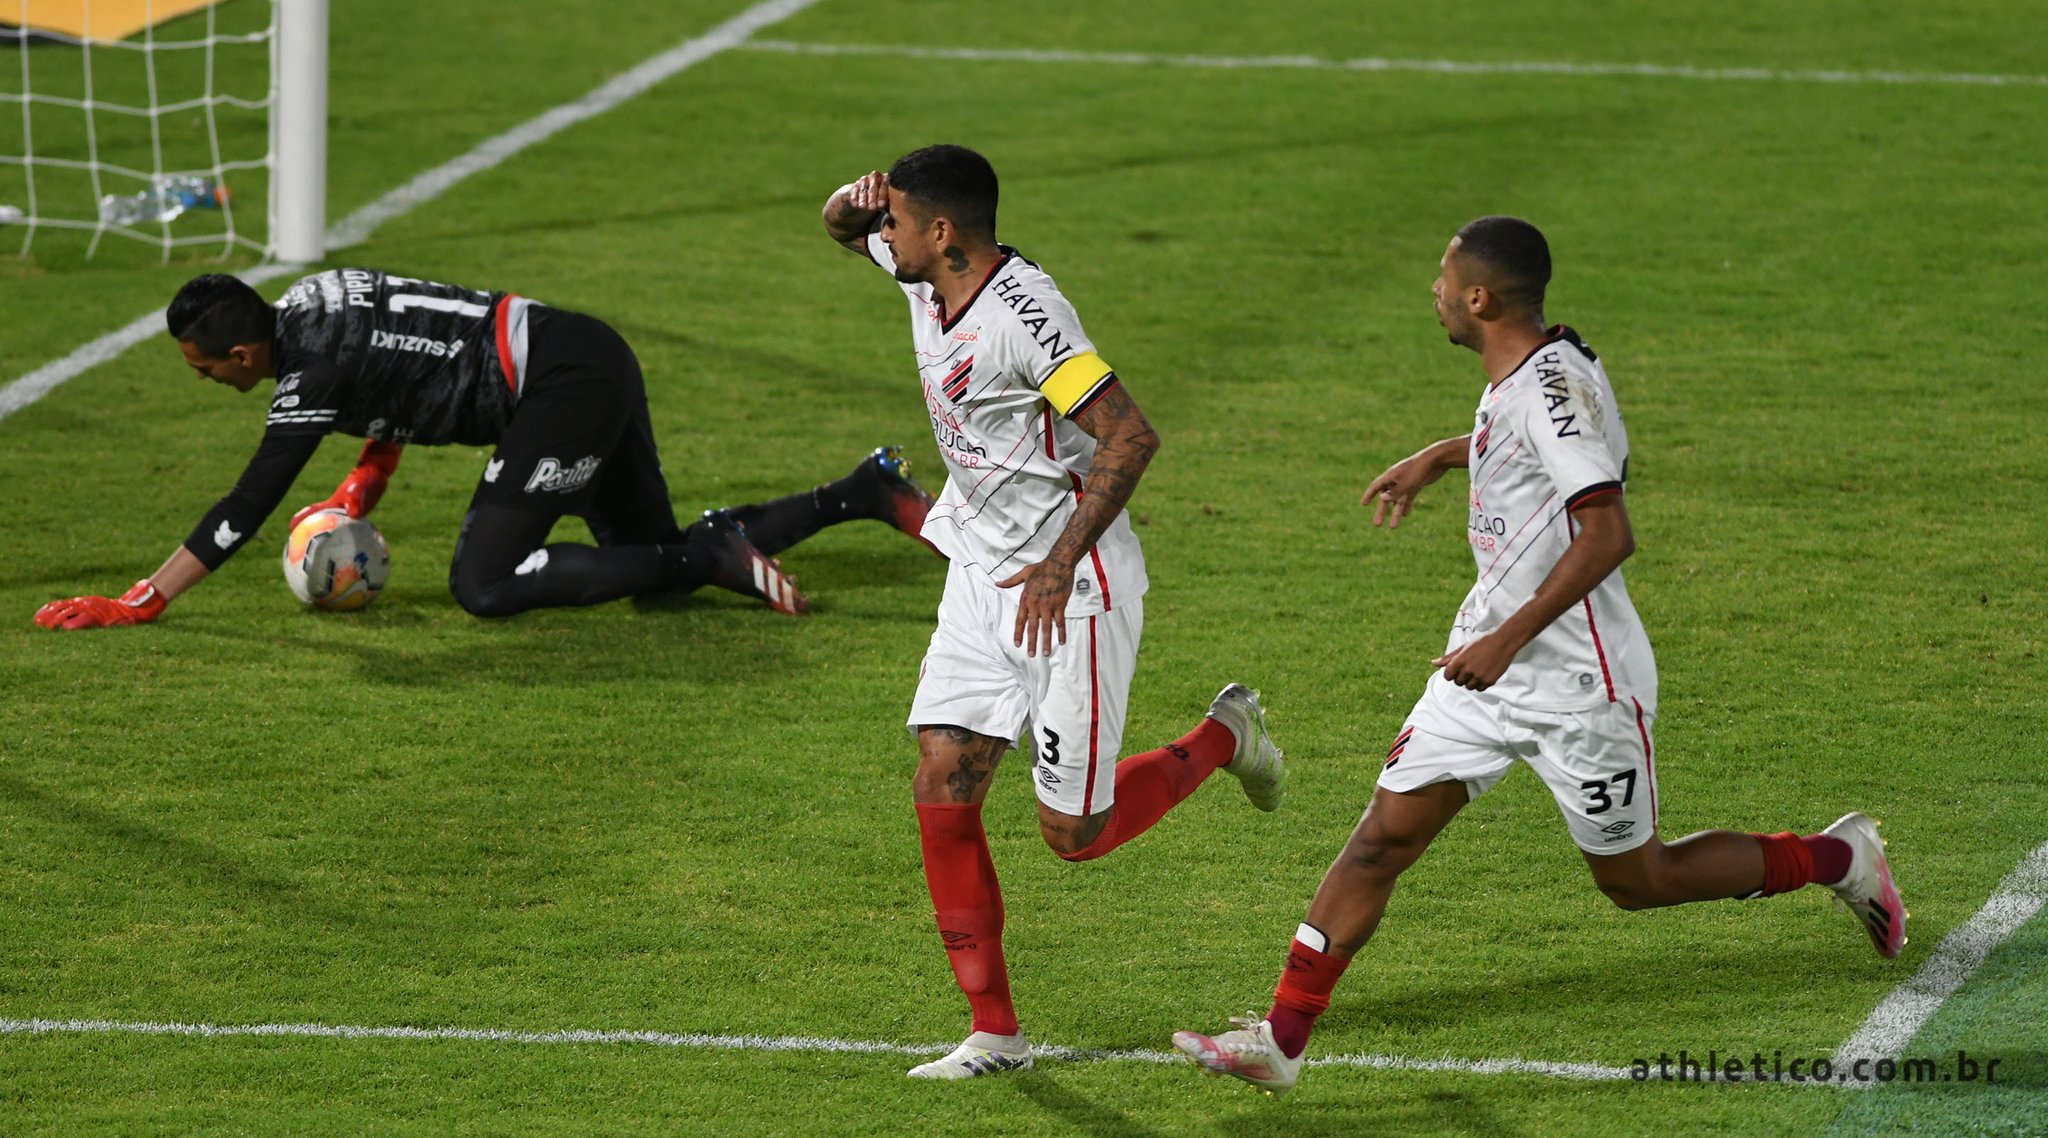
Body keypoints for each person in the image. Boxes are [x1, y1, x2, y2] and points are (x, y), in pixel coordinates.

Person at [1172, 217, 1907, 1097]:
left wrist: (1508, 637)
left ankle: (1840, 859)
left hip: (1578, 685)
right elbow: (1539, 447)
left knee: (1639, 880)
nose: (1434, 293)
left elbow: (1608, 531)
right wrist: (1446, 456)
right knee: (1380, 841)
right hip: (1482, 673)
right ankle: (1282, 1040)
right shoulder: (1535, 364)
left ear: (1478, 298)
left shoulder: (1541, 392)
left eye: (1443, 281)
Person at [822, 144, 1289, 1079]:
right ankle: (994, 1032)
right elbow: (841, 230)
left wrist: (1056, 561)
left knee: (1074, 834)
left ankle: (1225, 736)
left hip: (1069, 589)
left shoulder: (1028, 321)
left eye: (897, 221)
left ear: (942, 232)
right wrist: (851, 201)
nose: (886, 236)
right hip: (978, 568)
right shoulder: (927, 279)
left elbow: (1130, 433)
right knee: (942, 776)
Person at [33, 270, 936, 629]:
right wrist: (366, 480)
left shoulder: (309, 371)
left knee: (486, 584)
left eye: (202, 369)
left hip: (559, 391)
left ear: (241, 354)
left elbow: (251, 501)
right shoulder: (313, 300)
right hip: (583, 353)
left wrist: (141, 600)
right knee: (642, 563)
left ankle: (708, 553)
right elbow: (397, 365)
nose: (202, 381)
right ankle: (860, 492)